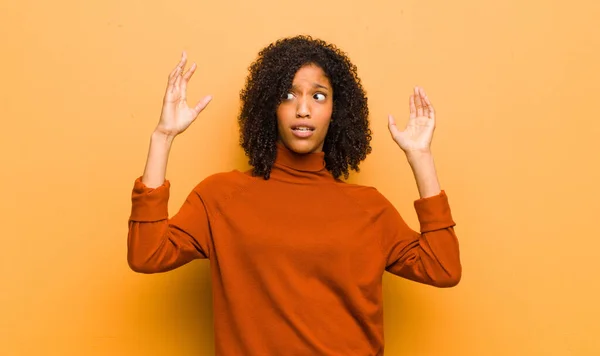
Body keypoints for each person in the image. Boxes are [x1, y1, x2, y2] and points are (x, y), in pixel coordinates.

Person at [127, 35, 461, 356]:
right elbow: (147, 253)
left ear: (336, 110)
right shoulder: (221, 197)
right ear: (268, 107)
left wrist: (420, 157)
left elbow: (442, 268)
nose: (303, 109)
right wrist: (162, 136)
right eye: (288, 95)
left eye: (318, 96)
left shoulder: (369, 208)